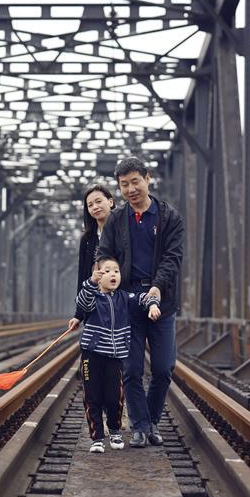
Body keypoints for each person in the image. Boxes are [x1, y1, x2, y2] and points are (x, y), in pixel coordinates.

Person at [97, 156, 184, 448]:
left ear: (148, 178)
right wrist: (105, 275)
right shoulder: (116, 219)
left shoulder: (169, 217)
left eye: (135, 181)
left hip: (162, 302)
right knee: (131, 369)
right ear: (119, 188)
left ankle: (150, 420)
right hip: (127, 305)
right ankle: (141, 426)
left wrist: (158, 288)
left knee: (163, 368)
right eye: (124, 185)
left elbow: (173, 259)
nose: (131, 189)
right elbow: (105, 253)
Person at [75, 256, 160, 453]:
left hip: (114, 356)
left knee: (115, 397)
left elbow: (143, 297)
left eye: (116, 271)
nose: (113, 274)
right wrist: (90, 283)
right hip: (91, 355)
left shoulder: (125, 298)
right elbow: (82, 303)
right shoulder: (93, 297)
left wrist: (153, 304)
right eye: (107, 271)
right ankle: (97, 438)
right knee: (92, 396)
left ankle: (114, 430)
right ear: (98, 275)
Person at [67, 185, 115, 333]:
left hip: (118, 304)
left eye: (99, 201)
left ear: (111, 202)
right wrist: (78, 314)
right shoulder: (87, 240)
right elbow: (82, 276)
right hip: (94, 305)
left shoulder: (123, 233)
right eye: (90, 205)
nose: (95, 207)